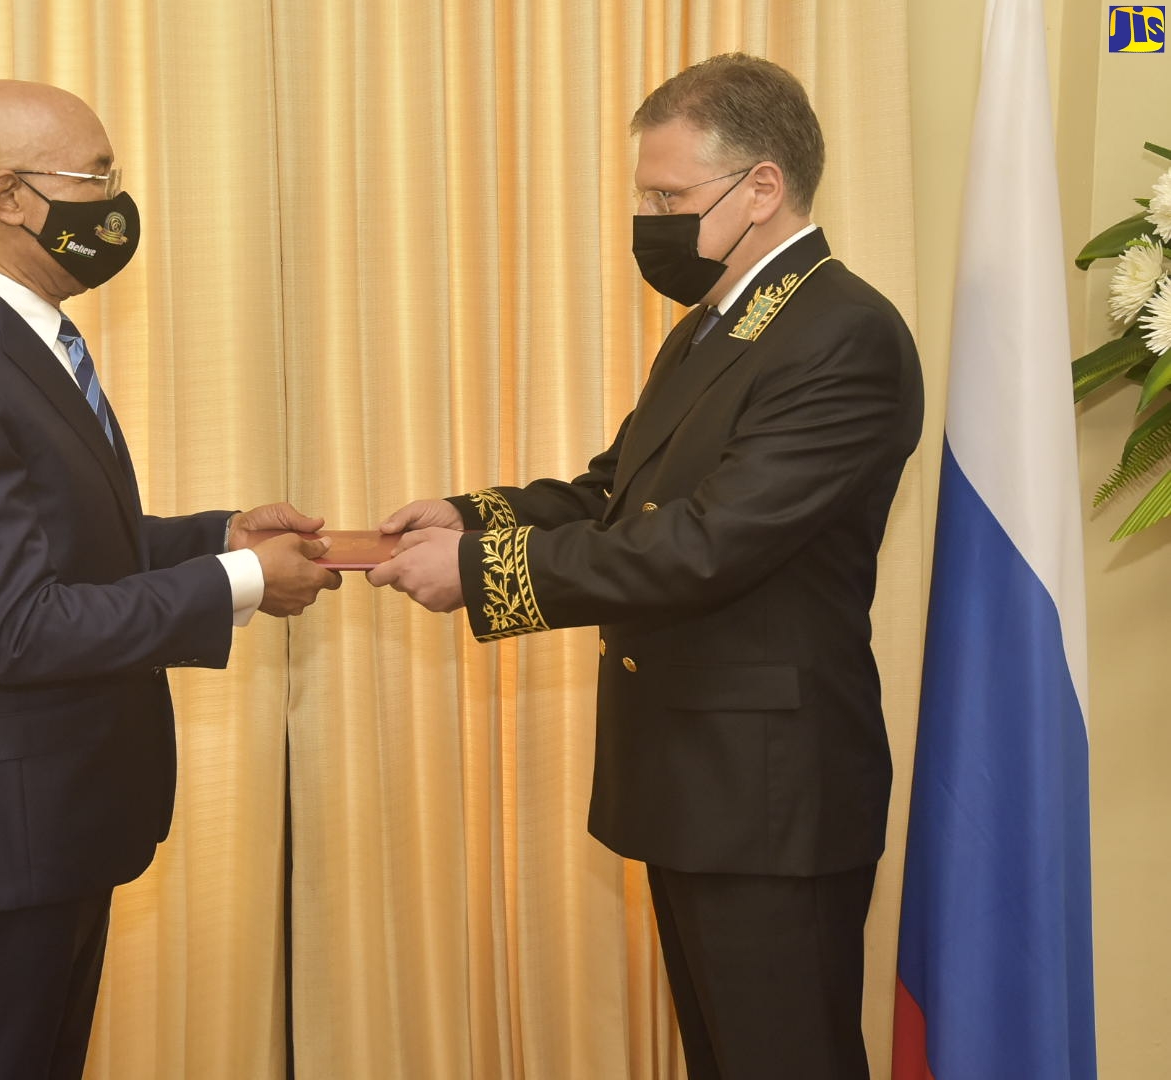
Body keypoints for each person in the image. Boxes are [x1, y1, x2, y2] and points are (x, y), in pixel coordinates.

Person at [369, 54, 922, 1080]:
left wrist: (487, 573)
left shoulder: (842, 334)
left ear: (762, 186)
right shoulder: (722, 326)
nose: (651, 220)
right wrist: (470, 515)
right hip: (698, 781)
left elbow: (705, 544)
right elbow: (616, 493)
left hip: (768, 799)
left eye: (669, 197)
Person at [0, 79, 340, 1080]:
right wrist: (241, 579)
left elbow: (69, 550)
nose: (115, 203)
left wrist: (221, 533)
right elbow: (21, 626)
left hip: (47, 834)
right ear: (8, 197)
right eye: (97, 178)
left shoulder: (20, 340)